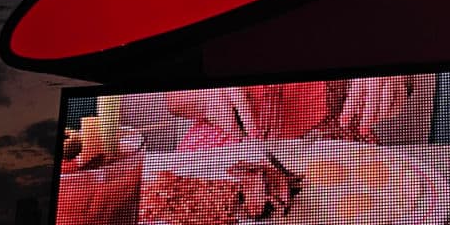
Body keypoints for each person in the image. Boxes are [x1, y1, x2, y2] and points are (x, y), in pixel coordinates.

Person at [166, 76, 412, 152]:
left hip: (335, 150)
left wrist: (392, 80)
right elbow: (173, 99)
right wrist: (204, 96)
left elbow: (407, 83)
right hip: (222, 144)